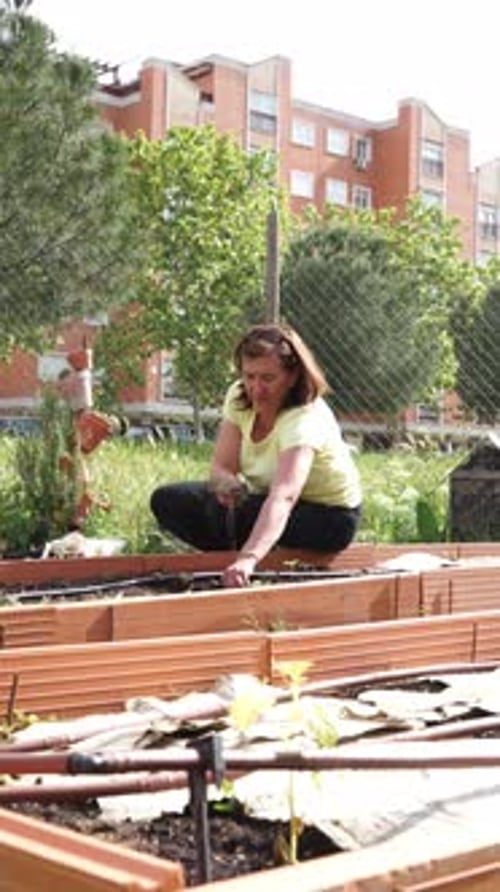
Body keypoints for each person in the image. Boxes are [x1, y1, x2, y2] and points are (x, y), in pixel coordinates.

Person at [150, 323, 362, 587]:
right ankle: (239, 562)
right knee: (171, 500)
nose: (256, 388)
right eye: (249, 376)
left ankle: (251, 561)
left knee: (248, 518)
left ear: (293, 376)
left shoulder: (304, 419)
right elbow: (221, 466)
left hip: (326, 517)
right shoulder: (239, 397)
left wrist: (249, 557)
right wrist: (226, 483)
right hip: (263, 501)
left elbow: (284, 496)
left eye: (268, 378)